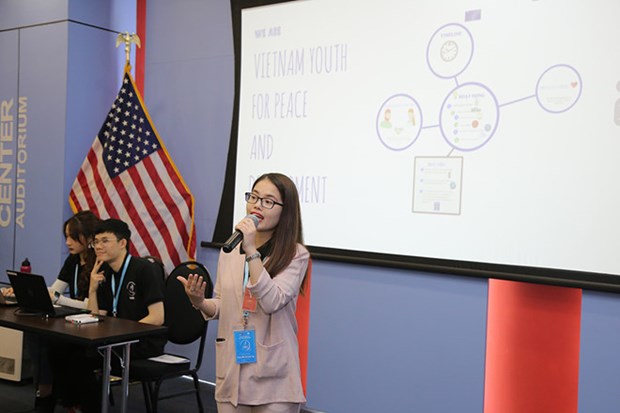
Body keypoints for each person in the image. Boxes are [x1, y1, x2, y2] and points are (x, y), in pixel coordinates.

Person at [180, 172, 310, 413]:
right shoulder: (230, 249)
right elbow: (221, 304)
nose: (257, 205)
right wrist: (199, 302)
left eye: (268, 201)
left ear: (286, 210)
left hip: (274, 375)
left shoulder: (295, 254)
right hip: (233, 369)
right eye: (254, 197)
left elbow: (272, 301)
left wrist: (251, 250)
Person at [52, 218, 166, 413]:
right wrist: (93, 290)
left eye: (105, 241)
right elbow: (97, 316)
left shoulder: (145, 269)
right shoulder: (104, 270)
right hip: (113, 341)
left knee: (79, 360)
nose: (98, 246)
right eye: (96, 241)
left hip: (142, 342)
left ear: (122, 243)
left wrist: (122, 333)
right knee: (60, 348)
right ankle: (73, 405)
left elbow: (157, 317)